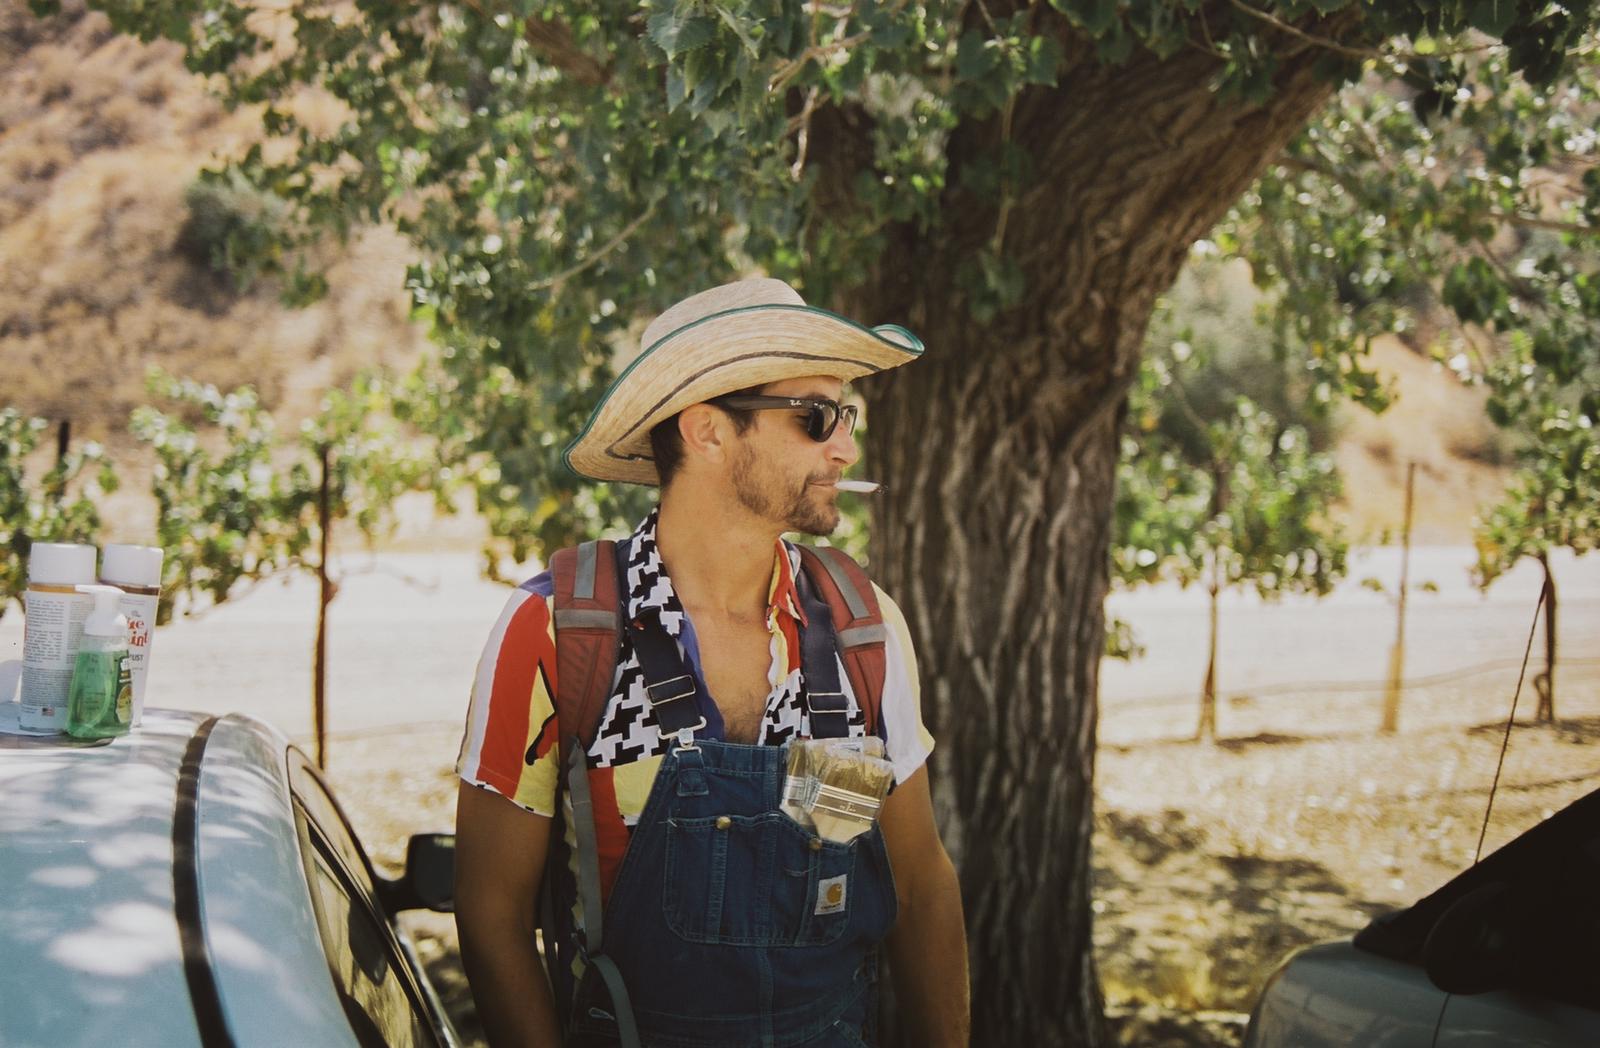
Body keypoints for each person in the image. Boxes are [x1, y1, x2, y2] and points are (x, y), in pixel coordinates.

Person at [453, 277, 970, 1048]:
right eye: (816, 417)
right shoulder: (558, 631)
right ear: (708, 432)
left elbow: (920, 885)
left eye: (847, 417)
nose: (846, 448)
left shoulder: (862, 630)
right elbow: (490, 916)